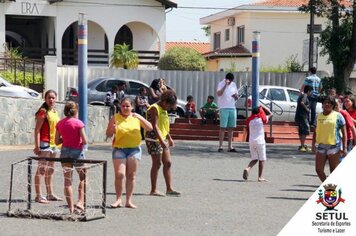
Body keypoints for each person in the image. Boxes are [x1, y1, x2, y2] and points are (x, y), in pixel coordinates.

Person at [106, 97, 152, 208]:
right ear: (120, 107)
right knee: (120, 174)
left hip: (134, 149)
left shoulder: (136, 117)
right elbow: (108, 134)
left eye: (128, 106)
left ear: (132, 107)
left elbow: (150, 128)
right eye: (123, 106)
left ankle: (128, 201)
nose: (125, 108)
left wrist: (141, 117)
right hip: (119, 149)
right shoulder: (115, 117)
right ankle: (118, 199)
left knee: (131, 175)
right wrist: (112, 129)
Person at [145, 90, 181, 197]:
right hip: (153, 139)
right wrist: (161, 140)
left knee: (168, 162)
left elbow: (164, 125)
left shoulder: (164, 109)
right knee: (157, 164)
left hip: (163, 138)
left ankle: (169, 188)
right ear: (164, 101)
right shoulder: (154, 108)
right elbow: (155, 126)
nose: (169, 108)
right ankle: (153, 189)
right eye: (169, 106)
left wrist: (169, 138)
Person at [55, 101, 88, 214]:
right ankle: (80, 202)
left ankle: (71, 208)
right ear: (75, 111)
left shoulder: (60, 123)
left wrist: (66, 139)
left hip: (64, 152)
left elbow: (56, 141)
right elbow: (85, 140)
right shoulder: (79, 123)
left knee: (67, 180)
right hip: (77, 152)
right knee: (83, 177)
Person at [33, 89, 62, 204]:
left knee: (50, 169)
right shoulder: (43, 111)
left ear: (56, 99)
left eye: (53, 97)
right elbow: (37, 130)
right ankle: (38, 195)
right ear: (45, 99)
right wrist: (37, 146)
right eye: (49, 97)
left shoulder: (54, 111)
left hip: (54, 144)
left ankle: (49, 194)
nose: (51, 99)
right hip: (45, 143)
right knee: (41, 169)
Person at [311, 96, 347, 182]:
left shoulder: (338, 116)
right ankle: (328, 186)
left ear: (333, 105)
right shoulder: (319, 116)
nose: (327, 104)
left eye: (329, 103)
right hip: (321, 146)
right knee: (319, 170)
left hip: (334, 146)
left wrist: (344, 148)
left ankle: (331, 191)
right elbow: (316, 131)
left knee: (333, 171)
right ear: (322, 105)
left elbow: (344, 133)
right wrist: (313, 144)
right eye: (325, 103)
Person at [243, 106, 272, 182]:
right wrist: (263, 107)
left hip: (251, 141)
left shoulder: (250, 120)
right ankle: (260, 177)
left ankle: (248, 168)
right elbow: (271, 114)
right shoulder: (262, 119)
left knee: (254, 158)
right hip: (260, 141)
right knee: (262, 160)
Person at [216, 72, 239, 152]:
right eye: (230, 81)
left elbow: (237, 96)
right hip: (223, 107)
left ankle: (230, 146)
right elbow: (219, 94)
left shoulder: (234, 84)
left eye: (232, 81)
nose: (231, 82)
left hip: (232, 107)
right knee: (222, 127)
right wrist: (225, 85)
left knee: (231, 128)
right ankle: (220, 146)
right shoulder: (221, 84)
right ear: (226, 79)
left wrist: (236, 96)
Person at [295, 85, 312, 152]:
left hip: (300, 116)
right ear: (308, 91)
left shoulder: (301, 96)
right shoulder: (305, 96)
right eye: (311, 92)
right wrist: (307, 109)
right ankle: (302, 145)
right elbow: (302, 103)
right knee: (304, 131)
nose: (311, 93)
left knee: (302, 131)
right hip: (303, 116)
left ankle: (303, 145)